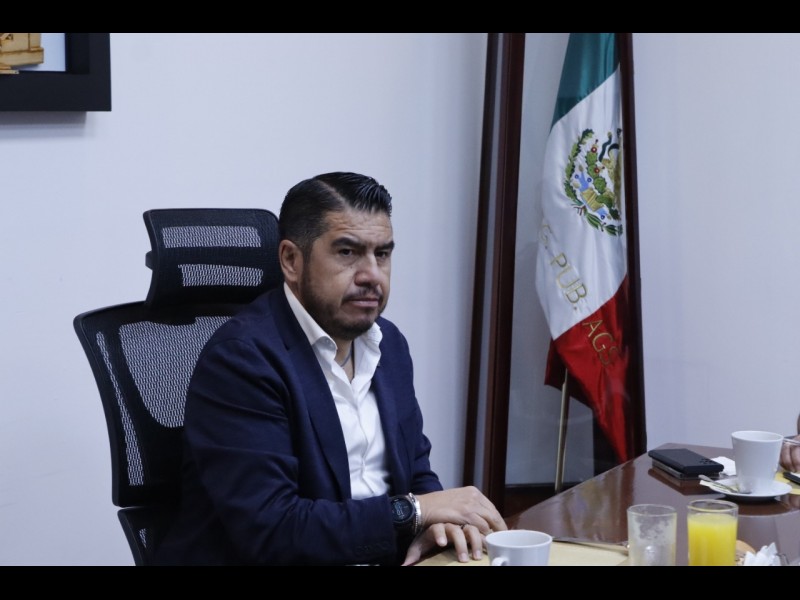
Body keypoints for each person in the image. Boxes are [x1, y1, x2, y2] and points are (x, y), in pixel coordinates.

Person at [153, 171, 506, 565]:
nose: (372, 275)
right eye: (348, 252)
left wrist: (441, 524)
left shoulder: (389, 345)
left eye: (382, 254)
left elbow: (416, 472)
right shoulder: (241, 360)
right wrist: (415, 511)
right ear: (291, 260)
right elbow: (273, 530)